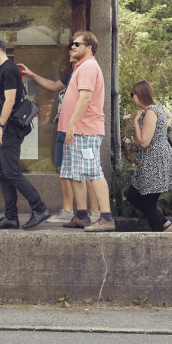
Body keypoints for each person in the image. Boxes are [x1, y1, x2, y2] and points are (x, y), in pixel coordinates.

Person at [0, 33, 52, 230]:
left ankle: (39, 208)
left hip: (9, 129)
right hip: (6, 127)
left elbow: (10, 100)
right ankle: (10, 217)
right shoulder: (3, 70)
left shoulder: (9, 69)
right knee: (2, 172)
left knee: (11, 172)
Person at [58, 31, 113, 232]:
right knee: (74, 173)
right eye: (71, 44)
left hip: (85, 131)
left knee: (93, 172)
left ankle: (106, 218)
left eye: (76, 44)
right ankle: (81, 216)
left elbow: (85, 98)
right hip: (76, 131)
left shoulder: (89, 67)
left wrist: (72, 124)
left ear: (89, 47)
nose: (72, 47)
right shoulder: (81, 67)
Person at [20, 51, 78, 225]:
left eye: (75, 49)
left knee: (79, 172)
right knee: (62, 170)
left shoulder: (87, 72)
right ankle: (67, 210)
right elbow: (53, 85)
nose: (71, 57)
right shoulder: (72, 73)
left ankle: (89, 212)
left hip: (74, 129)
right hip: (61, 126)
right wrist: (31, 74)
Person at [124, 80, 172, 232]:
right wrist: (161, 130)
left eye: (132, 95)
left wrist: (136, 122)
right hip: (157, 159)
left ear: (139, 95)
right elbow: (169, 116)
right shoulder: (158, 107)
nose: (132, 98)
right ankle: (166, 225)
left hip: (155, 161)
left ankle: (159, 236)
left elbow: (143, 142)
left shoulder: (150, 112)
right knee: (132, 195)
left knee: (148, 202)